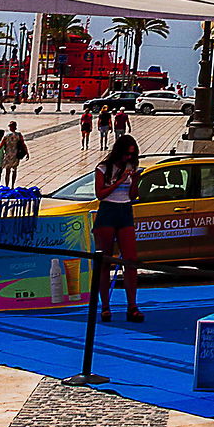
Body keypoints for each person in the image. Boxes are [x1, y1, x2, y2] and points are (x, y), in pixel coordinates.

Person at [92, 132, 144, 324]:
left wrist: (135, 181)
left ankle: (132, 306)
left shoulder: (131, 166)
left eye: (132, 155)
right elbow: (100, 194)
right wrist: (120, 181)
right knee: (105, 261)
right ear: (119, 152)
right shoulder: (103, 168)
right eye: (126, 154)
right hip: (108, 210)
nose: (128, 158)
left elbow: (132, 196)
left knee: (131, 261)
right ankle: (105, 306)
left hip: (125, 211)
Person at [0, 122, 28, 190]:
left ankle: (7, 185)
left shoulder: (6, 136)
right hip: (16, 154)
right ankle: (12, 185)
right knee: (14, 170)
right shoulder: (19, 135)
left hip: (8, 155)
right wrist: (27, 153)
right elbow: (23, 144)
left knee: (8, 171)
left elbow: (1, 145)